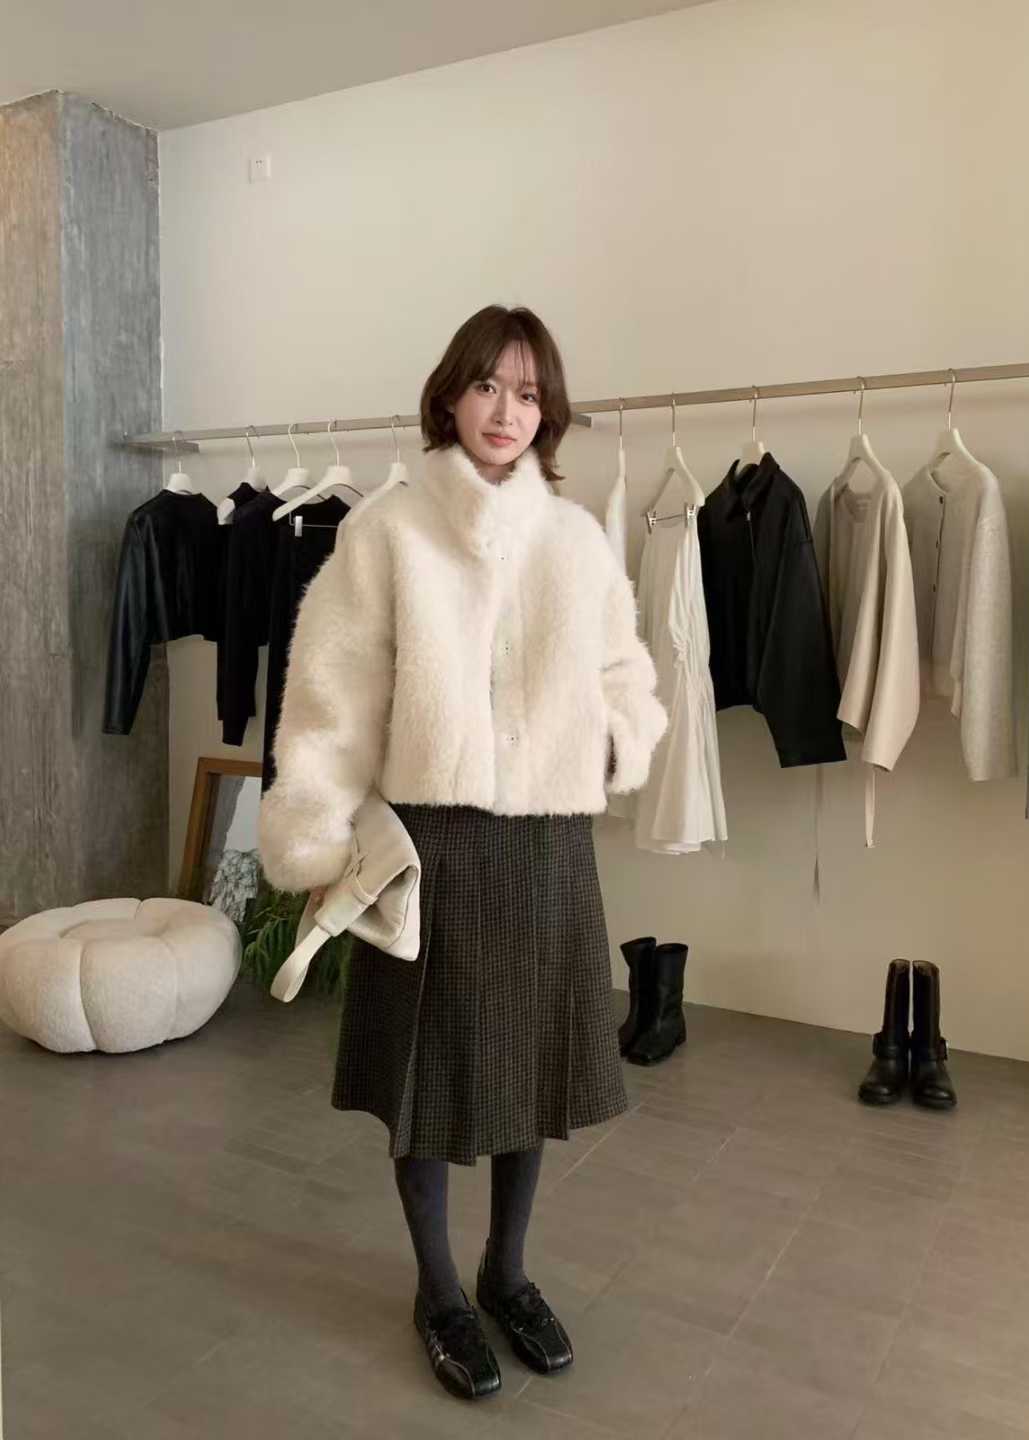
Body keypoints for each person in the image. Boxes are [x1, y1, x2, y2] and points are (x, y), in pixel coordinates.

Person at [258, 304, 667, 1401]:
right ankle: (438, 1290)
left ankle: (507, 1273)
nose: (506, 410)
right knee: (428, 1072)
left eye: (528, 393)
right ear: (450, 395)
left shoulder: (575, 540)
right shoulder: (388, 529)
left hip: (547, 848)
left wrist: (612, 739)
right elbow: (334, 693)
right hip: (430, 843)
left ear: (548, 413)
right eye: (488, 385)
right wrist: (317, 821)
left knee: (535, 1061)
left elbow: (626, 673)